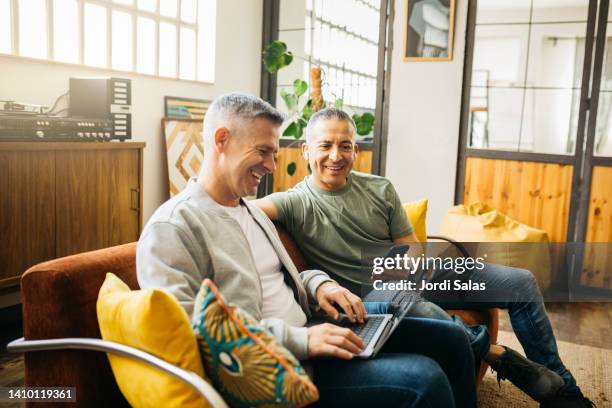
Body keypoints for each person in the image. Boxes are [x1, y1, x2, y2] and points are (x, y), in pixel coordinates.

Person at [137, 93, 478, 407]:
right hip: (285, 365)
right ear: (222, 140)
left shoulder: (250, 212)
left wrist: (320, 284)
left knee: (451, 340)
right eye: (263, 151)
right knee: (424, 379)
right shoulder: (173, 228)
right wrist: (303, 340)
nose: (271, 166)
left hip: (316, 324)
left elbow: (283, 277)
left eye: (273, 153)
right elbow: (193, 330)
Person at [255, 107, 593, 408]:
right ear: (305, 150)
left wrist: (406, 262)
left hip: (417, 274)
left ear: (356, 150)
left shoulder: (379, 188)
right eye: (325, 145)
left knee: (521, 282)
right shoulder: (294, 202)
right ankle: (497, 354)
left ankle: (563, 390)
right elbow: (244, 208)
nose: (335, 155)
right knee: (414, 304)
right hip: (374, 296)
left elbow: (412, 246)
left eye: (345, 145)